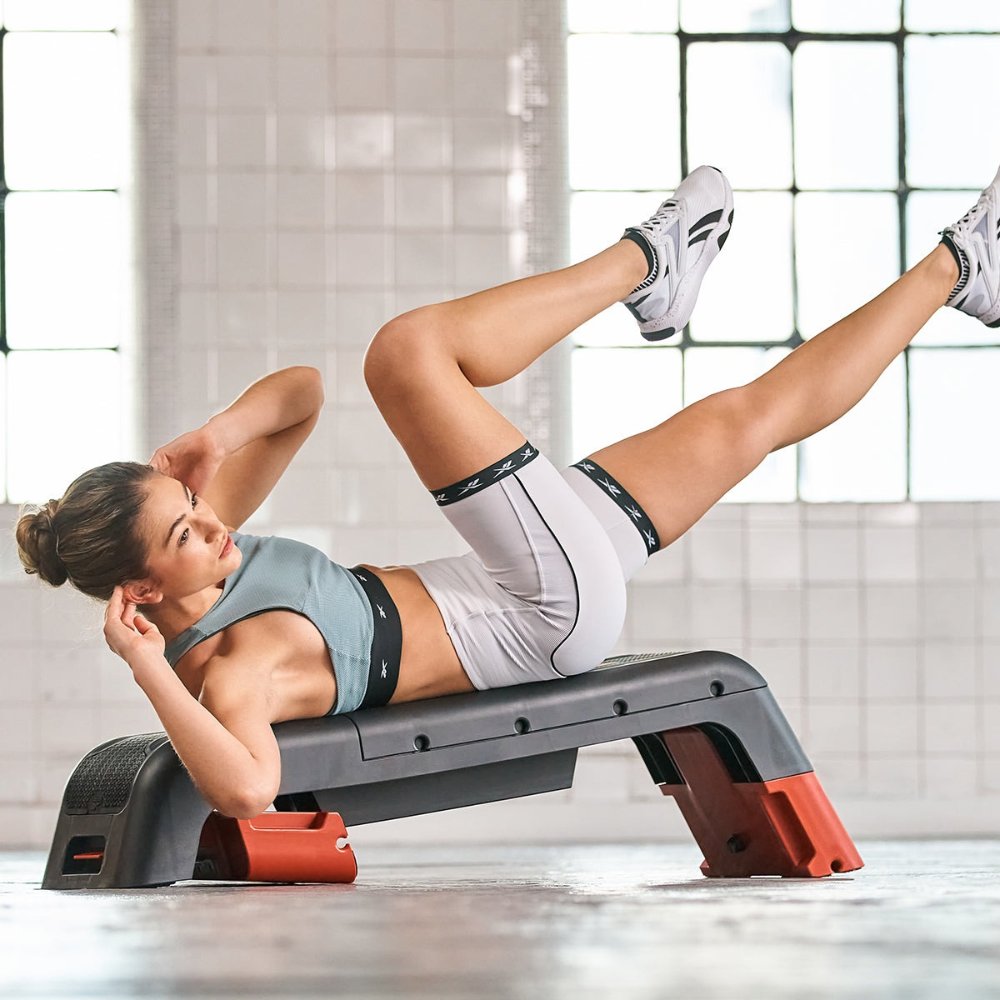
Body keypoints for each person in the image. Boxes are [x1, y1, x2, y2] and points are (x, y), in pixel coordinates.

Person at [15, 163, 999, 820]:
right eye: (185, 532)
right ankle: (643, 266)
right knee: (408, 354)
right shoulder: (234, 664)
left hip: (521, 571)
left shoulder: (221, 558)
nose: (216, 520)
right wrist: (144, 669)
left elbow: (298, 398)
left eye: (194, 506)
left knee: (746, 417)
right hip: (543, 605)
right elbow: (247, 787)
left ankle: (958, 264)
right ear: (141, 591)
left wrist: (214, 438)